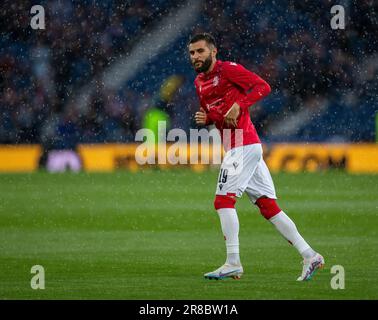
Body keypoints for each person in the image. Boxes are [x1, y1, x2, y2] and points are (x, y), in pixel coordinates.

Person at [188, 33, 324, 281]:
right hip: (239, 147)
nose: (195, 56)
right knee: (269, 207)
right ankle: (310, 255)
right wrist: (208, 118)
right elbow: (219, 114)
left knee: (222, 202)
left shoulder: (228, 70)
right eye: (192, 53)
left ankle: (232, 262)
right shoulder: (198, 82)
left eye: (200, 51)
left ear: (213, 51)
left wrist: (241, 104)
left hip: (244, 145)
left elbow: (263, 86)